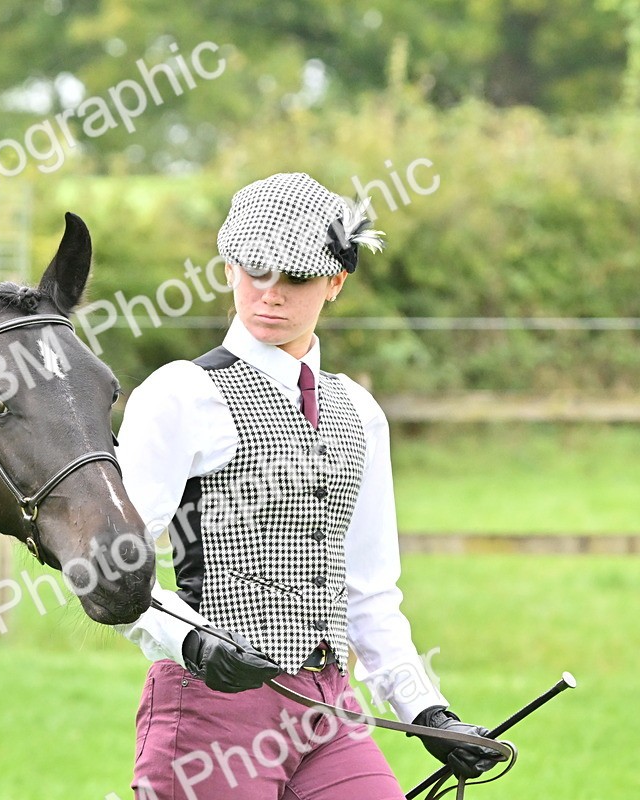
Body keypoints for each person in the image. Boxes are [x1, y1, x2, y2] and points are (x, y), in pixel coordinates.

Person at [115, 173, 502, 799]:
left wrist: (425, 711)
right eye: (254, 270)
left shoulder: (359, 412)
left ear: (336, 280)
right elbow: (112, 563)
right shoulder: (181, 394)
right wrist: (189, 641)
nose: (269, 294)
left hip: (332, 709)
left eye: (294, 278)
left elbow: (370, 591)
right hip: (213, 711)